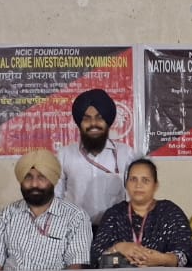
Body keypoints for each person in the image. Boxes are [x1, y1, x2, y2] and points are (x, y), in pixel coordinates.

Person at [0, 149, 93, 271]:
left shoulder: (75, 217)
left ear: (53, 180)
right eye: (28, 177)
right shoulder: (6, 215)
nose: (34, 184)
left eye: (42, 177)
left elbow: (76, 268)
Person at [90, 158, 192, 268]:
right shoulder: (114, 214)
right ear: (126, 184)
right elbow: (96, 259)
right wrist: (118, 248)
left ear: (155, 185)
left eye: (145, 180)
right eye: (133, 179)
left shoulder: (170, 212)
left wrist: (163, 259)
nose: (138, 185)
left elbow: (185, 257)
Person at [55, 89, 137, 226]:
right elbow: (56, 197)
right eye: (86, 119)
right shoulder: (65, 154)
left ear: (108, 121)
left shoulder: (125, 154)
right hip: (75, 229)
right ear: (79, 123)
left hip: (114, 230)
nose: (93, 124)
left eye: (99, 118)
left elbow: (135, 195)